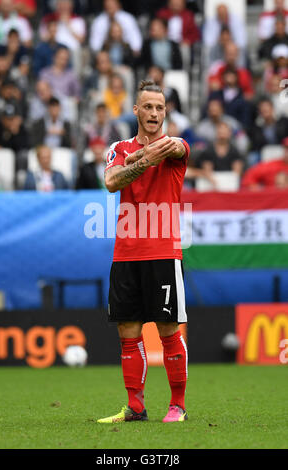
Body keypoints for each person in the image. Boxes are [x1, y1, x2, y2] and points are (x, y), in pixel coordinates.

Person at [97, 80, 190, 424]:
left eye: (160, 108)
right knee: (128, 332)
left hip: (163, 251)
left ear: (166, 112)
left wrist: (149, 154)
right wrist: (138, 161)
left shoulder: (174, 146)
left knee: (167, 330)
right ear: (135, 110)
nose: (154, 113)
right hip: (126, 254)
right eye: (148, 107)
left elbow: (177, 148)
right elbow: (110, 182)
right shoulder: (119, 148)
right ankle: (135, 407)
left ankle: (177, 405)